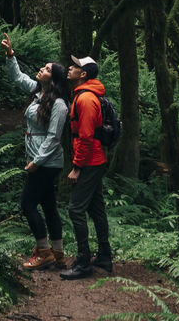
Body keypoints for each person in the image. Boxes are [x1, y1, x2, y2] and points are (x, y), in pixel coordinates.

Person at [1, 32, 70, 269]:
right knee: (49, 204)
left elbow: (53, 138)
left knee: (27, 204)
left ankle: (44, 252)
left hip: (47, 162)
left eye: (47, 68)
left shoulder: (59, 104)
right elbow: (18, 78)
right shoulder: (38, 93)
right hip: (38, 159)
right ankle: (58, 254)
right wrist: (11, 55)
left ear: (55, 78)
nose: (42, 69)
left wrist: (37, 162)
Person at [59, 54, 113, 280]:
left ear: (83, 74)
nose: (69, 68)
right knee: (96, 207)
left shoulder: (86, 100)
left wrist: (77, 166)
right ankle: (104, 256)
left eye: (75, 66)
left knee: (75, 209)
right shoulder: (82, 95)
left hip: (90, 162)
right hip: (94, 160)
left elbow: (87, 136)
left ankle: (84, 262)